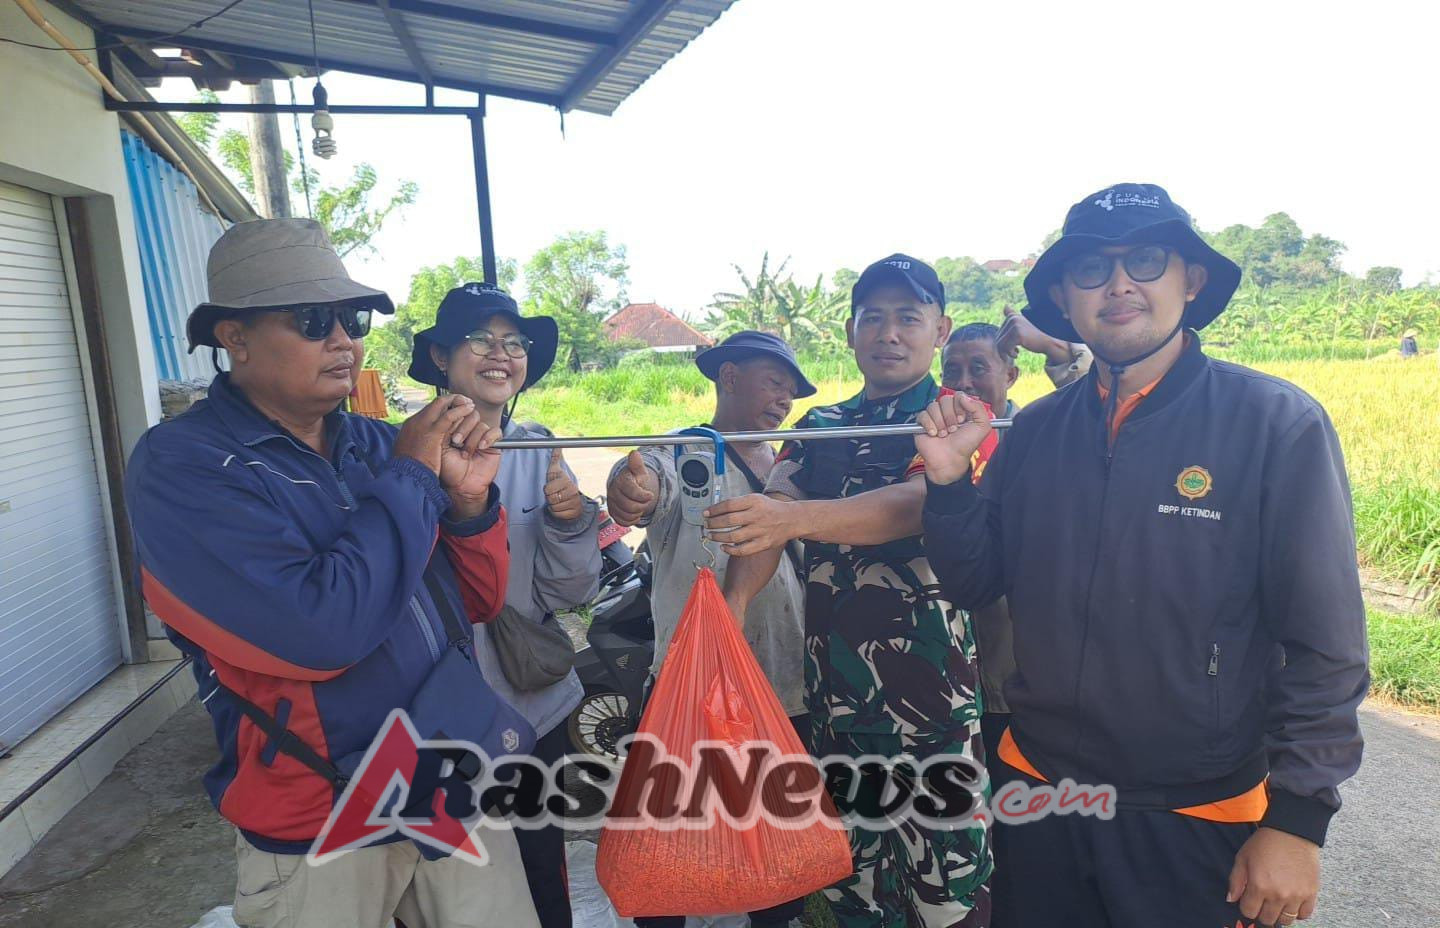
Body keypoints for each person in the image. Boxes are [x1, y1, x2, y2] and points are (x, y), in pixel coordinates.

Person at [914, 183, 1369, 928]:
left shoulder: (1273, 424)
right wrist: (947, 483)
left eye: (1148, 260)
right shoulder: (1035, 433)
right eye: (1092, 267)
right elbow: (975, 580)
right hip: (1040, 792)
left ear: (1190, 280)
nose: (1120, 284)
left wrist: (1298, 820)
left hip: (1197, 807)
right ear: (1065, 296)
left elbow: (1326, 644)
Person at [126, 219, 540, 927]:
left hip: (442, 775)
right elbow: (319, 632)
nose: (345, 340)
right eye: (315, 320)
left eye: (350, 319)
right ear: (235, 338)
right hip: (320, 809)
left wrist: (469, 506)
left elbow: (473, 601)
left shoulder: (380, 443)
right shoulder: (184, 466)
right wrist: (412, 477)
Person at [709, 256, 994, 928]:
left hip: (932, 709)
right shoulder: (818, 425)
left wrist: (792, 518)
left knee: (945, 887)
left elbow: (915, 503)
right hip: (837, 702)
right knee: (850, 885)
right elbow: (767, 519)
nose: (889, 333)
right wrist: (731, 610)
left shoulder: (958, 418)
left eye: (908, 317)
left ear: (940, 330)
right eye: (874, 317)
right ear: (850, 330)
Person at [604, 329, 815, 928]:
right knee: (670, 843)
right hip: (692, 689)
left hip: (782, 686)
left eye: (792, 391)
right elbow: (642, 488)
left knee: (779, 850)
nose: (784, 399)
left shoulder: (789, 466)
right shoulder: (686, 453)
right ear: (727, 375)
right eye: (774, 381)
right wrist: (629, 491)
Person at [409, 283, 602, 928]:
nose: (500, 355)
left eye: (513, 343)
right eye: (479, 340)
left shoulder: (537, 450)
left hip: (526, 705)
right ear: (440, 356)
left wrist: (571, 524)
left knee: (538, 860)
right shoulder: (401, 451)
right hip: (429, 711)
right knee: (440, 873)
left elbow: (568, 593)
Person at [939, 321, 1088, 765]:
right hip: (952, 680)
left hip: (1026, 671)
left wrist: (1055, 349)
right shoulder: (933, 445)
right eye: (952, 370)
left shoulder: (1040, 433)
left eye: (978, 368)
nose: (964, 383)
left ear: (1010, 375)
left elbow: (1092, 403)